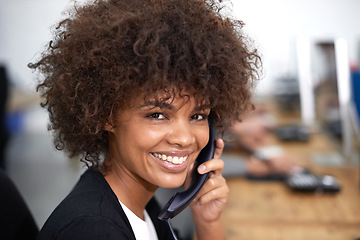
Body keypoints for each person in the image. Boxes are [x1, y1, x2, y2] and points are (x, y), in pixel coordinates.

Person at [28, 0, 261, 239]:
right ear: (106, 115)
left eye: (197, 116)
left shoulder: (141, 206)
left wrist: (207, 219)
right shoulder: (92, 231)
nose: (184, 138)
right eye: (157, 115)